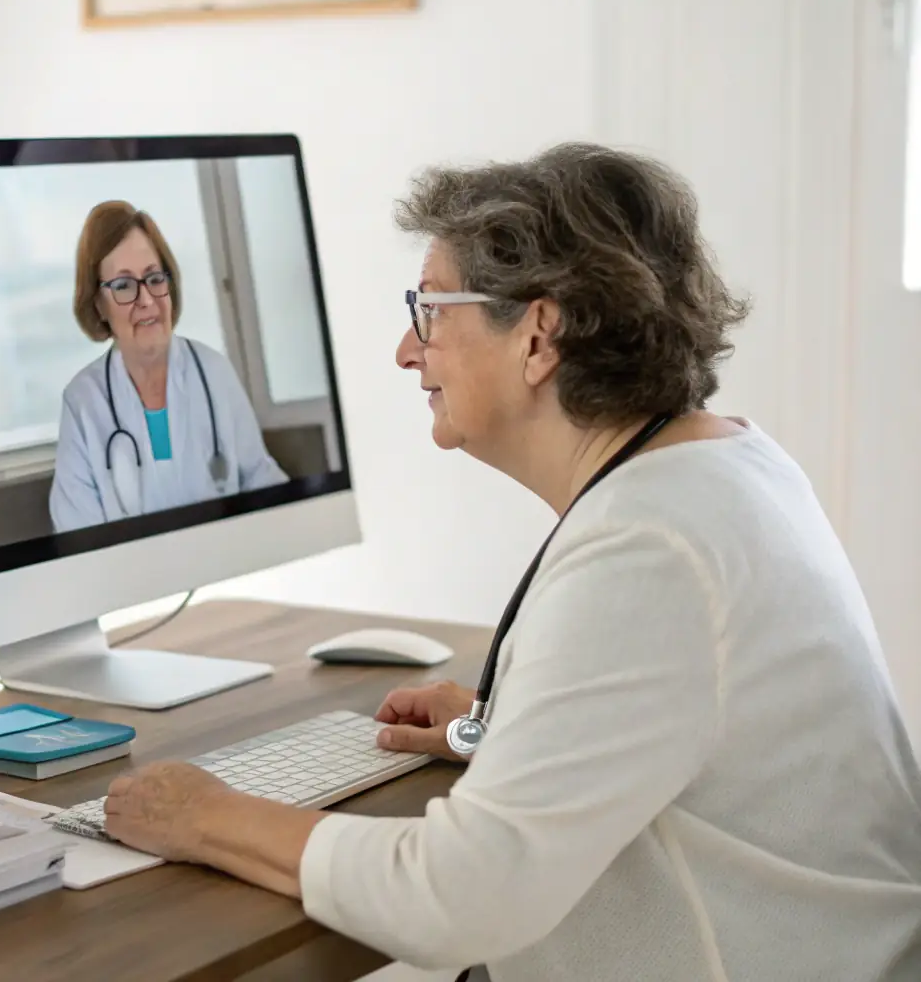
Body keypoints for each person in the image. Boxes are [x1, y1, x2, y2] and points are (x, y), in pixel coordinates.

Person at [97, 144, 921, 981]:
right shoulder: (729, 464)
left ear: (536, 335)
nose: (406, 352)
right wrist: (515, 727)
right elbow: (698, 737)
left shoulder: (645, 548)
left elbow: (458, 898)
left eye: (429, 312)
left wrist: (207, 816)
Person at [49, 200, 288, 533]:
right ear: (98, 304)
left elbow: (262, 481)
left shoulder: (214, 372)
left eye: (154, 278)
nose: (146, 300)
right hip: (132, 582)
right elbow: (76, 533)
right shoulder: (82, 403)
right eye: (123, 286)